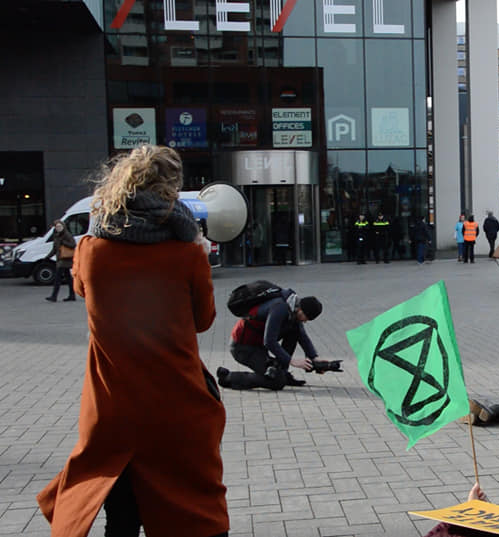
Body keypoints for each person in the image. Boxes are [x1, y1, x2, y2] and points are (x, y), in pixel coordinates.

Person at [36, 145, 229, 537]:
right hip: (176, 402)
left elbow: (81, 289)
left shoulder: (91, 250)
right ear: (171, 190)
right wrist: (197, 251)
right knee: (191, 507)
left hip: (113, 404)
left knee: (120, 515)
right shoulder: (186, 252)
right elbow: (204, 321)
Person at [217, 289, 324, 391]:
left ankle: (282, 372)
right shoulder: (280, 308)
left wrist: (315, 358)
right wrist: (292, 361)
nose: (305, 321)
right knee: (277, 382)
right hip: (243, 348)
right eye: (306, 318)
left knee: (294, 330)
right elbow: (269, 341)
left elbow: (302, 336)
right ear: (300, 310)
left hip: (258, 345)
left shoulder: (292, 308)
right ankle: (228, 377)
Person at [44, 219, 77, 302]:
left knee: (57, 278)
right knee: (68, 278)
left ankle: (54, 296)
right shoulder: (56, 235)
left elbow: (73, 245)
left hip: (65, 259)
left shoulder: (66, 235)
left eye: (60, 226)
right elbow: (55, 249)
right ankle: (72, 295)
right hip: (61, 259)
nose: (58, 228)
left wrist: (64, 242)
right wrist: (48, 257)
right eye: (57, 227)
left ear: (63, 226)